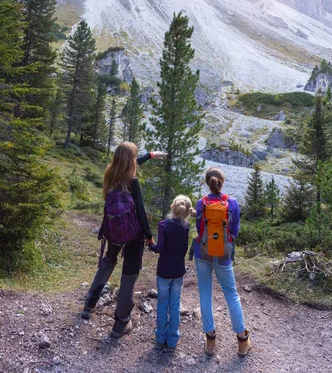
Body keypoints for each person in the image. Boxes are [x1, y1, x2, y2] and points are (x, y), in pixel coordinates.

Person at [81, 142, 166, 338]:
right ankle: (121, 323)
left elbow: (130, 162)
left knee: (108, 263)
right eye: (135, 158)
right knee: (129, 274)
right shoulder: (132, 182)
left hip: (112, 232)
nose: (137, 161)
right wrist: (149, 235)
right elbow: (141, 212)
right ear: (131, 161)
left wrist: (151, 155)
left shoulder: (110, 173)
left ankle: (89, 305)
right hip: (133, 235)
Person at [194, 167, 250, 357]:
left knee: (205, 294)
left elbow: (199, 229)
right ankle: (242, 341)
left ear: (207, 182)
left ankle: (210, 340)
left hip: (202, 254)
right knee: (231, 295)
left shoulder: (201, 203)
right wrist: (226, 241)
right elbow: (235, 230)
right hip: (223, 256)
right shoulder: (232, 203)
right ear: (222, 182)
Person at [148, 195, 195, 352]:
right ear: (187, 212)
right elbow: (183, 249)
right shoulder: (186, 226)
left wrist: (150, 244)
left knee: (162, 305)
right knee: (174, 306)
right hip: (178, 271)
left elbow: (160, 248)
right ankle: (172, 342)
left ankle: (160, 340)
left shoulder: (163, 225)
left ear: (172, 207)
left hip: (164, 271)